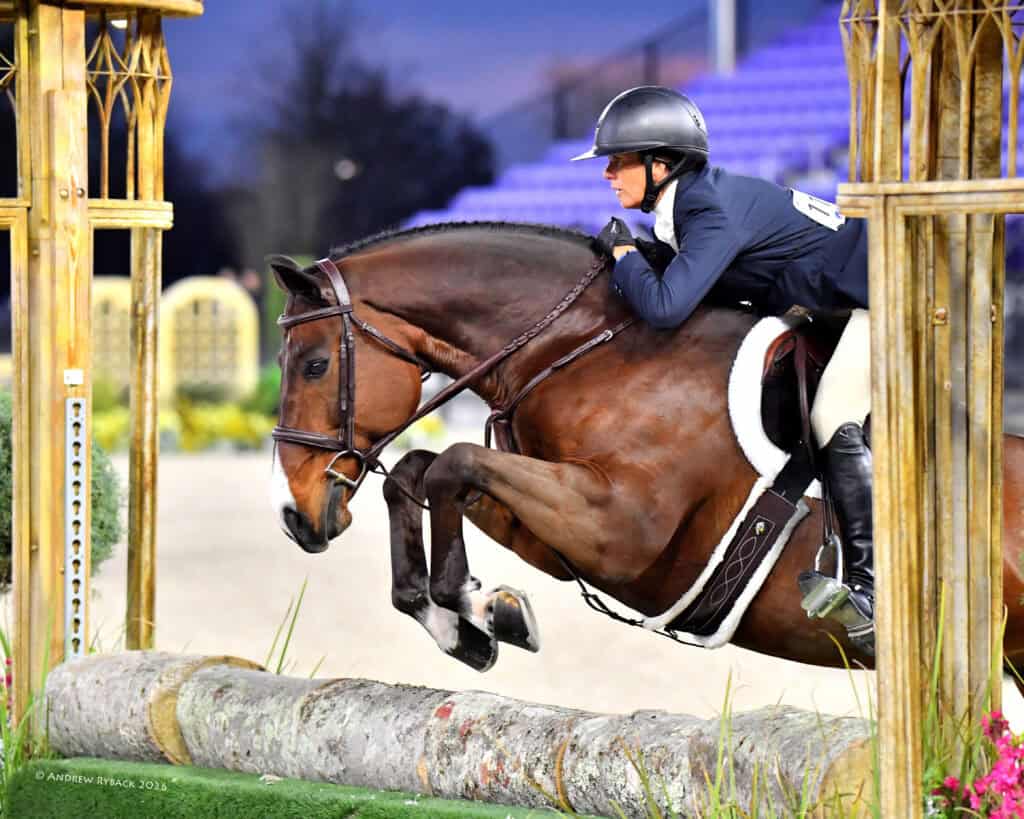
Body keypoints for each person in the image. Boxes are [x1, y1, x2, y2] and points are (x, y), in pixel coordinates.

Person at [572, 85, 875, 635]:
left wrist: (622, 253)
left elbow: (665, 307)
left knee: (833, 417)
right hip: (832, 305)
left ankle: (871, 591)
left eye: (618, 161)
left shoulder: (708, 208)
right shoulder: (688, 203)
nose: (608, 173)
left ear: (660, 163)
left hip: (883, 297)